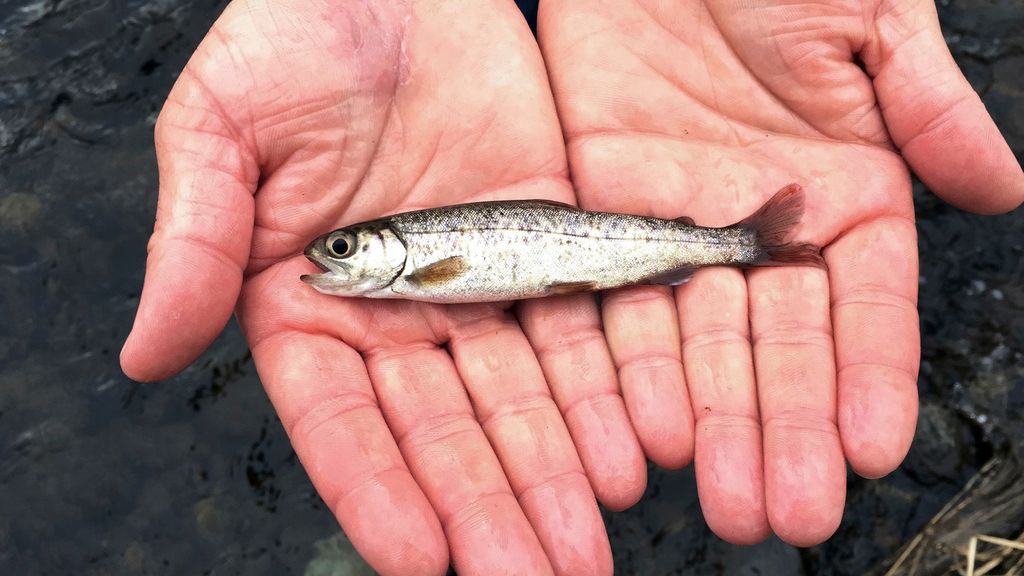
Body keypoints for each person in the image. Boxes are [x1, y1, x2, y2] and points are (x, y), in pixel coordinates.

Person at [120, 0, 1023, 574]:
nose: (338, 264)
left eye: (348, 249)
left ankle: (743, 243)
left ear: (389, 248)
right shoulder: (402, 270)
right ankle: (742, 244)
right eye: (345, 252)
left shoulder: (420, 269)